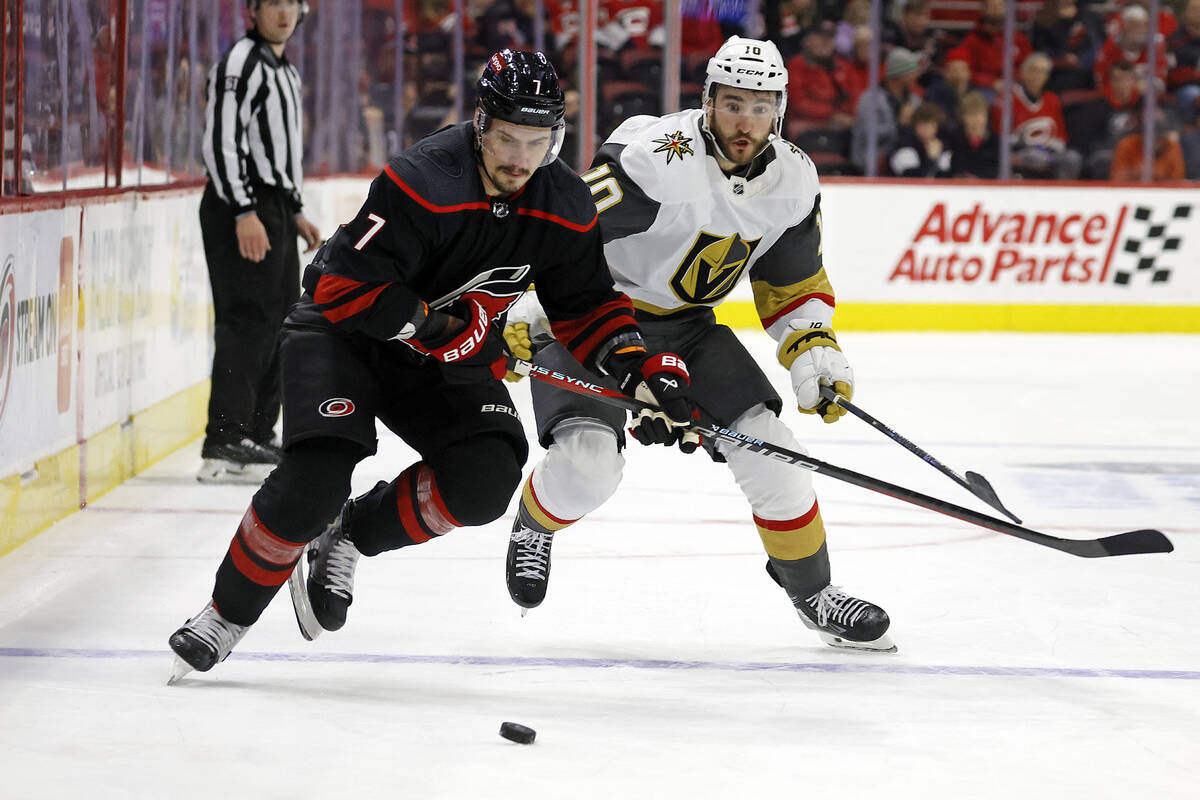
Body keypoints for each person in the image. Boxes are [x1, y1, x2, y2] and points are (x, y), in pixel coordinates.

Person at [166, 49, 694, 681]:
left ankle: (351, 535)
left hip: (441, 355)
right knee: (314, 481)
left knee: (487, 473)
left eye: (536, 141)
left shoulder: (565, 202)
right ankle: (226, 615)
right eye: (505, 138)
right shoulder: (423, 179)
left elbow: (585, 306)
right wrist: (437, 325)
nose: (519, 159)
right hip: (345, 337)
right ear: (479, 124)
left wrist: (640, 371)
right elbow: (340, 287)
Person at [503, 36, 895, 652]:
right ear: (708, 100)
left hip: (687, 327)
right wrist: (526, 305)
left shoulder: (792, 179)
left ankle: (814, 593)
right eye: (733, 104)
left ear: (780, 112)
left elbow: (791, 283)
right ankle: (535, 521)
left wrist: (814, 350)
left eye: (761, 107)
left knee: (776, 455)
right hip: (594, 317)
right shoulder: (656, 156)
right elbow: (564, 229)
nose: (746, 122)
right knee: (587, 468)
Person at [197, 0, 322, 483]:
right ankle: (225, 437)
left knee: (281, 318)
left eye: (292, 2)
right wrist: (244, 210)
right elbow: (222, 142)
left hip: (270, 208)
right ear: (252, 11)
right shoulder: (241, 63)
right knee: (248, 318)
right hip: (240, 206)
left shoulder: (283, 70)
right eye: (273, 2)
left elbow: (276, 151)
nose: (284, 12)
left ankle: (254, 431)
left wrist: (292, 211)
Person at [850, 47, 923, 174]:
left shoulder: (914, 100)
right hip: (873, 162)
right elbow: (868, 133)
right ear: (899, 74)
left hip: (905, 155)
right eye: (911, 72)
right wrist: (899, 124)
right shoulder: (871, 99)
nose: (915, 76)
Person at [888, 101, 951, 177]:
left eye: (931, 125)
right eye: (922, 125)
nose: (926, 130)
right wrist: (931, 159)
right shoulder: (904, 146)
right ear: (915, 126)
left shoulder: (942, 145)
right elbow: (912, 180)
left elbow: (945, 178)